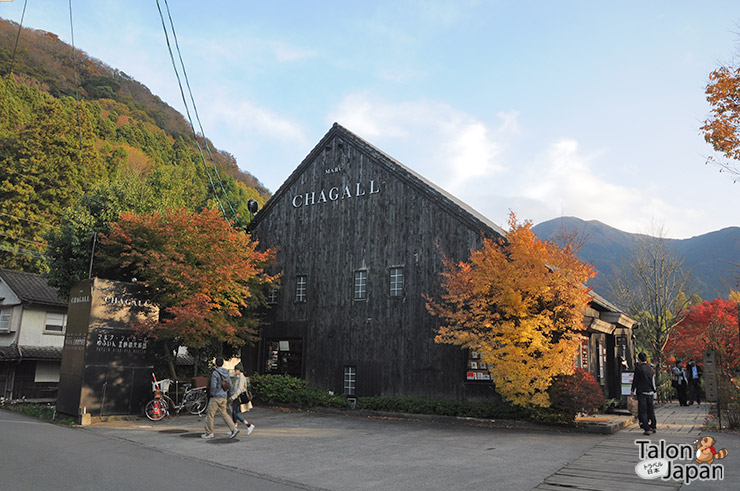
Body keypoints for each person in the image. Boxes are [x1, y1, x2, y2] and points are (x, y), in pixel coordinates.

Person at [201, 357, 239, 439]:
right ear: (222, 363)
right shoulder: (227, 372)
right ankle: (234, 428)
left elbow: (213, 386)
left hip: (216, 397)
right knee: (224, 413)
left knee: (210, 415)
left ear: (216, 364)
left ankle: (209, 432)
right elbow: (230, 385)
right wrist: (231, 394)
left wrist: (212, 393)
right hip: (224, 396)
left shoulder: (215, 373)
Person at [631, 352, 657, 436]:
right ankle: (653, 426)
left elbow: (635, 380)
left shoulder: (638, 368)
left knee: (643, 411)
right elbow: (653, 381)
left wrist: (632, 390)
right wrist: (654, 391)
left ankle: (646, 428)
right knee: (651, 410)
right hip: (650, 392)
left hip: (642, 392)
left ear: (639, 359)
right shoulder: (651, 369)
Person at [229, 363, 255, 436]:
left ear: (239, 370)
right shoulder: (239, 376)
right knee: (234, 413)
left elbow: (240, 388)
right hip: (237, 397)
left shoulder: (241, 377)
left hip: (238, 397)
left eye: (235, 370)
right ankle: (234, 429)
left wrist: (233, 397)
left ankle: (249, 425)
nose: (234, 371)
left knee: (235, 413)